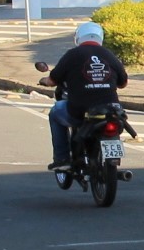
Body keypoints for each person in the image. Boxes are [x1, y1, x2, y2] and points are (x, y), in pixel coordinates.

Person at [45, 21, 127, 171]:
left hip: (80, 111)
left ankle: (62, 158)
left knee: (55, 113)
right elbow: (123, 83)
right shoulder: (109, 55)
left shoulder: (72, 54)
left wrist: (44, 80)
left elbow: (52, 80)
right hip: (112, 110)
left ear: (78, 37)